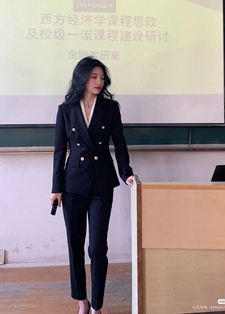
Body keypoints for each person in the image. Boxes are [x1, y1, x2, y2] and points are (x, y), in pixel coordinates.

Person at [50, 56, 134, 314]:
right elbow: (59, 150)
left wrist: (126, 173)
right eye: (93, 76)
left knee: (98, 246)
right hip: (73, 184)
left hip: (101, 184)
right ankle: (81, 301)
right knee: (75, 244)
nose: (99, 81)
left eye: (102, 77)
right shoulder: (66, 109)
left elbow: (119, 144)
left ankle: (97, 304)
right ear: (82, 78)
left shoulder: (110, 108)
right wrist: (56, 188)